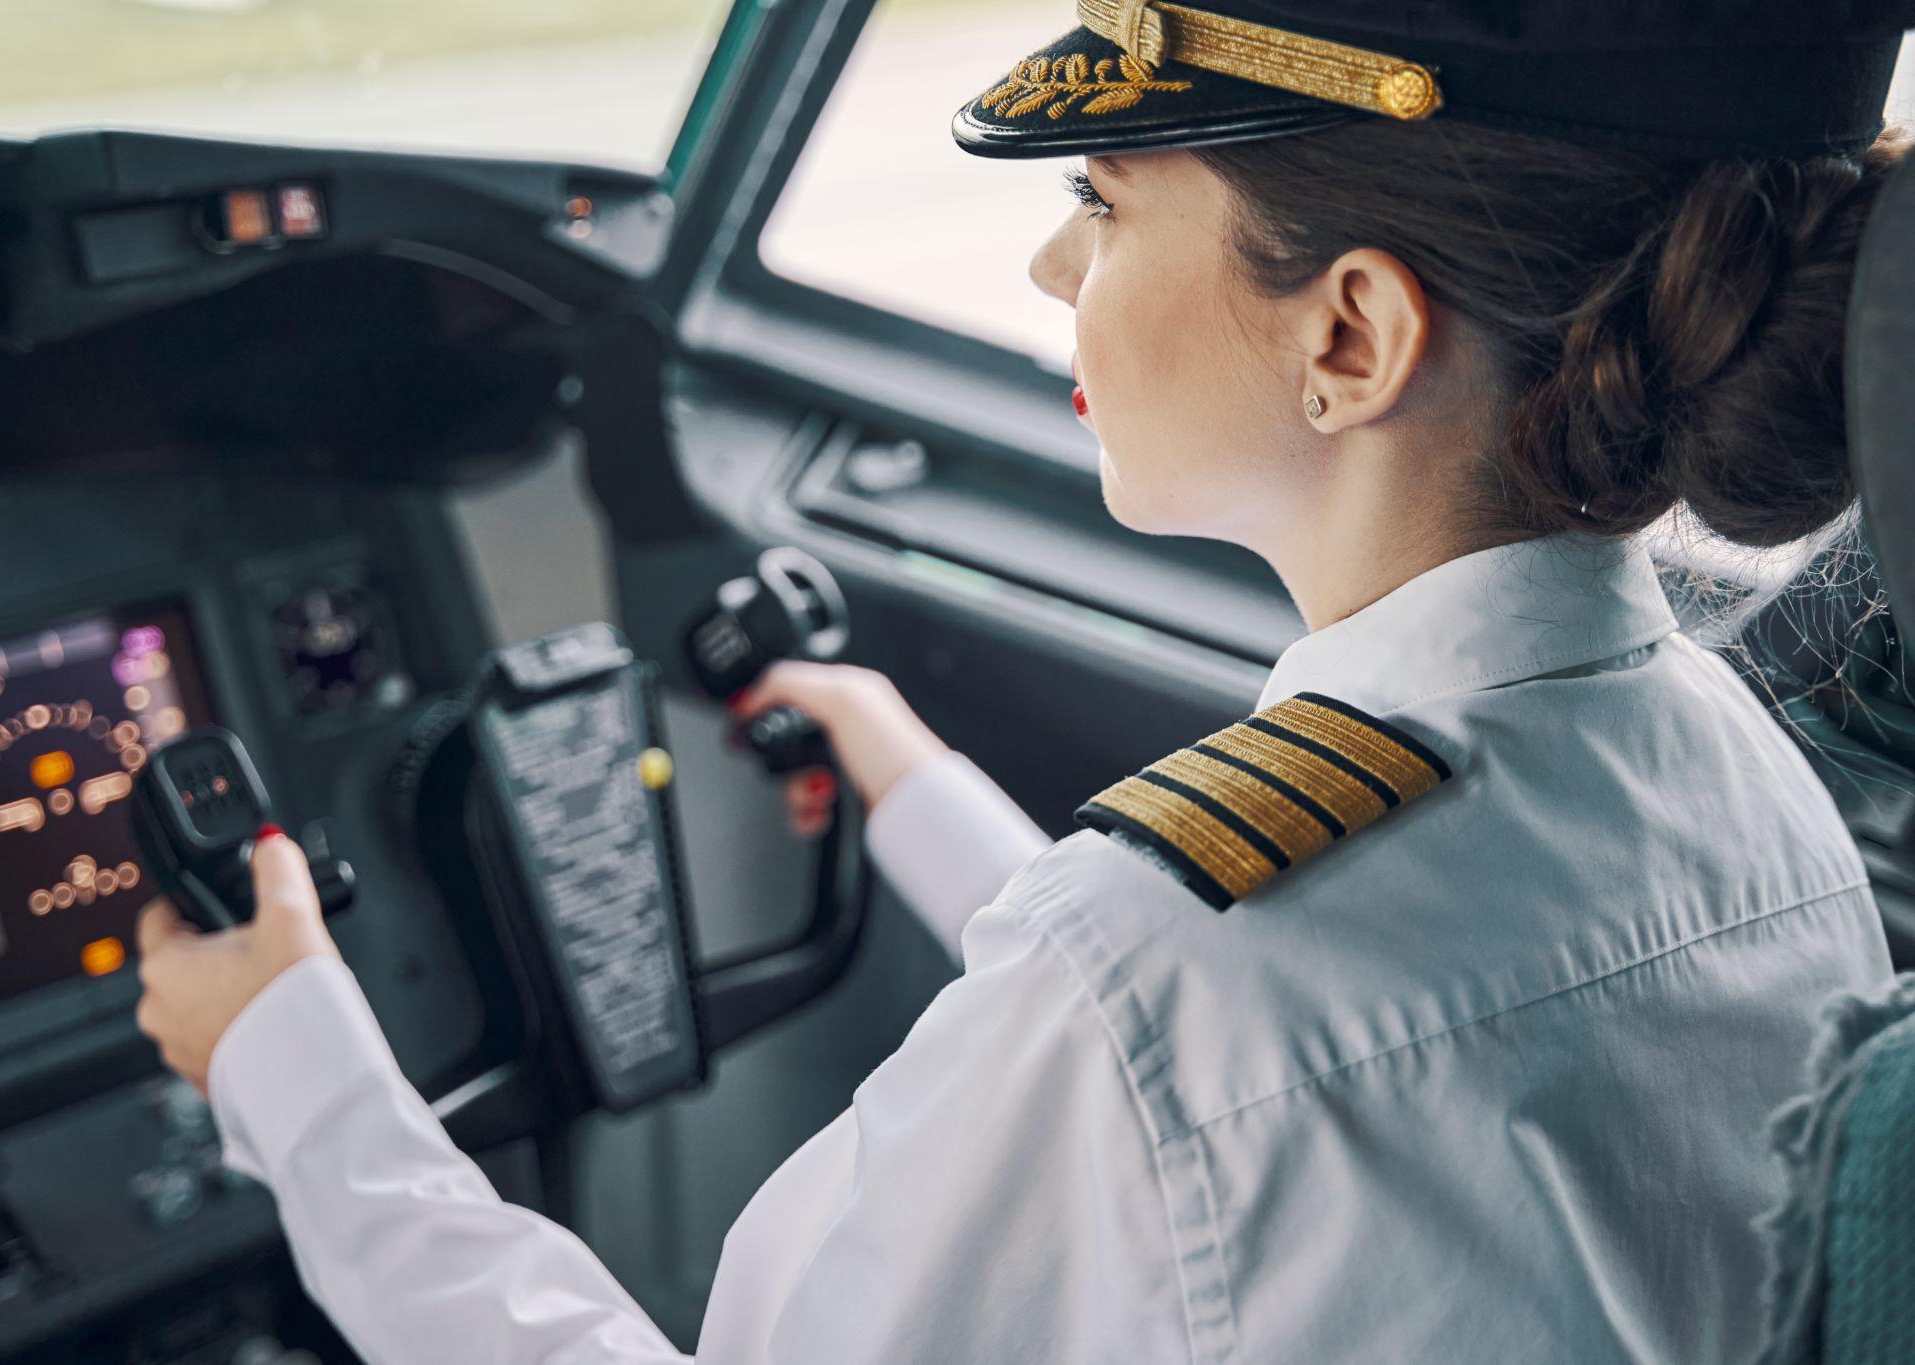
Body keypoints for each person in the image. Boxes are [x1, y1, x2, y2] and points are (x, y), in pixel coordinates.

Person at [134, 1, 1915, 1359]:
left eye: (1100, 197)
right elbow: (1249, 1078)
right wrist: (909, 783)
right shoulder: (1744, 774)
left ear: (1350, 335)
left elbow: (1181, 1041)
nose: (1053, 263)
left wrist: (288, 1062)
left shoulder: (1159, 972)